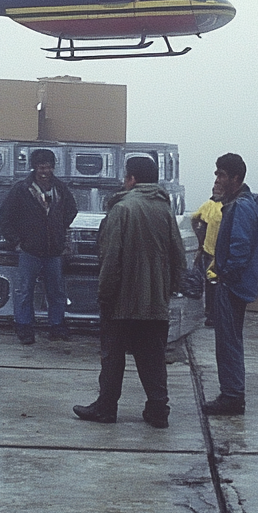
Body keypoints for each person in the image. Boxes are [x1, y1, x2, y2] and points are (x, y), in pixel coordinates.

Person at [73, 156, 185, 428]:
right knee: (153, 357)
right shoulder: (165, 211)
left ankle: (106, 408)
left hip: (122, 300)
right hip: (155, 301)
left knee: (113, 355)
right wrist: (166, 290)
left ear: (131, 179)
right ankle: (158, 409)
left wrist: (105, 293)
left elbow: (111, 257)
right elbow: (178, 257)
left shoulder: (122, 209)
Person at [205, 153, 258, 417]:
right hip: (238, 284)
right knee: (231, 340)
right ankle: (232, 394)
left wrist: (225, 275)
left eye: (221, 175)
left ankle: (231, 397)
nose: (217, 179)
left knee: (228, 342)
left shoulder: (240, 207)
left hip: (233, 286)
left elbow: (239, 248)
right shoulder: (245, 203)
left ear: (236, 178)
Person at [0, 148, 79, 344]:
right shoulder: (21, 189)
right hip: (29, 250)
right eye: (41, 167)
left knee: (57, 291)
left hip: (54, 251)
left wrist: (59, 229)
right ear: (34, 167)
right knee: (24, 290)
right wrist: (16, 241)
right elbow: (4, 216)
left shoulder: (60, 189)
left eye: (49, 167)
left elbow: (72, 210)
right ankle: (24, 327)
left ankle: (57, 325)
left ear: (53, 168)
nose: (45, 171)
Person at [189, 186, 222, 325]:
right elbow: (195, 219)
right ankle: (212, 314)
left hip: (215, 252)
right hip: (212, 252)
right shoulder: (211, 205)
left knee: (213, 285)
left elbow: (195, 219)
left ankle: (212, 313)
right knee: (212, 284)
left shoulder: (213, 206)